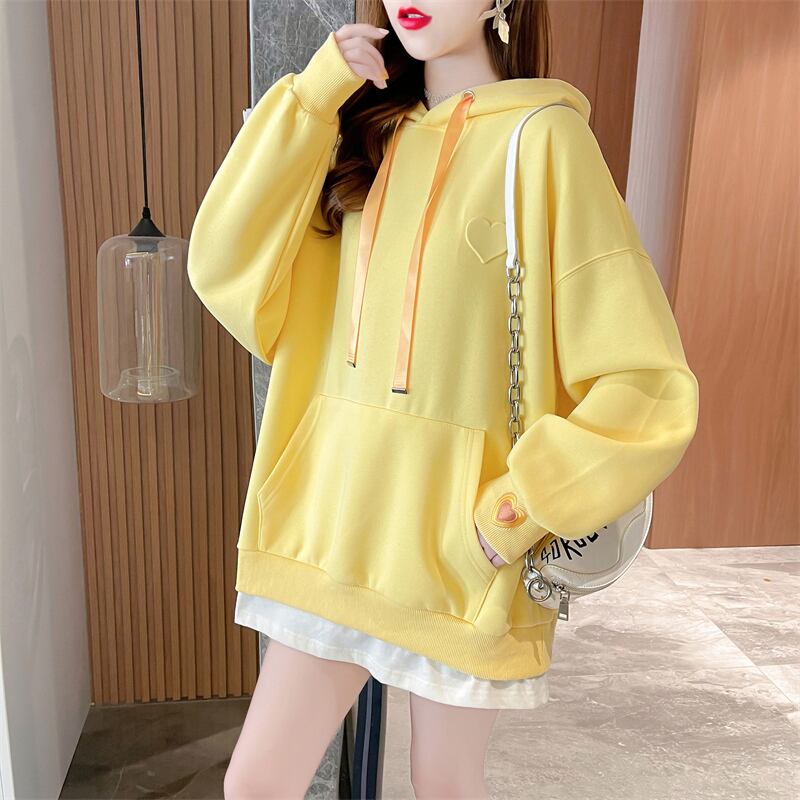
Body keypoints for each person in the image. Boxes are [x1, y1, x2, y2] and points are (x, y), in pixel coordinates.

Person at [187, 1, 700, 796]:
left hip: (458, 560)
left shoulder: (545, 140)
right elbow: (223, 267)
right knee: (254, 785)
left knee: (443, 784)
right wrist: (313, 97)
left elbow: (648, 384)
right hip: (330, 532)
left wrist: (515, 511)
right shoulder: (355, 132)